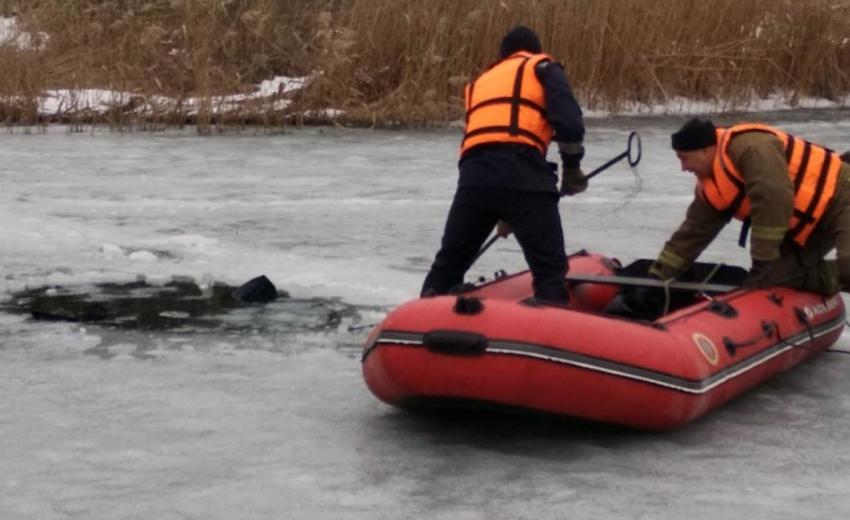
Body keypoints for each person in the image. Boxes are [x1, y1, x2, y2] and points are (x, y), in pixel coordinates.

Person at [420, 25, 586, 305]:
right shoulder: (542, 67)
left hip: (474, 181)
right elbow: (569, 124)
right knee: (549, 271)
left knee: (448, 265)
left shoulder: (481, 82)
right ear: (533, 51)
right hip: (525, 176)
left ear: (503, 55)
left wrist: (502, 210)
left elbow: (494, 137)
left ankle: (420, 321)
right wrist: (572, 168)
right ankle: (549, 325)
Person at [646, 118, 850, 297]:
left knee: (848, 264)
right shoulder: (711, 185)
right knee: (776, 278)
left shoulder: (750, 147)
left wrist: (762, 260)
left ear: (706, 150)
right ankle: (835, 277)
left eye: (684, 158)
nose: (683, 168)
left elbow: (773, 200)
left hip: (841, 194)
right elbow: (692, 233)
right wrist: (658, 277)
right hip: (809, 224)